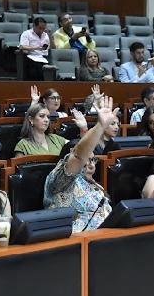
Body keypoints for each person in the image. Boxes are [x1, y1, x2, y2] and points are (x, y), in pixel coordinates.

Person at [43, 95, 115, 231]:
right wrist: (100, 126)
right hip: (73, 240)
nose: (91, 165)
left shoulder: (94, 185)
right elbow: (78, 156)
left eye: (93, 160)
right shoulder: (60, 181)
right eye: (87, 160)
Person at [13, 103, 83, 158]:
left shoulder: (56, 138)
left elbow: (79, 147)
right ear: (31, 119)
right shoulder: (23, 145)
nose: (46, 120)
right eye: (42, 116)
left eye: (48, 117)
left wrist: (83, 128)